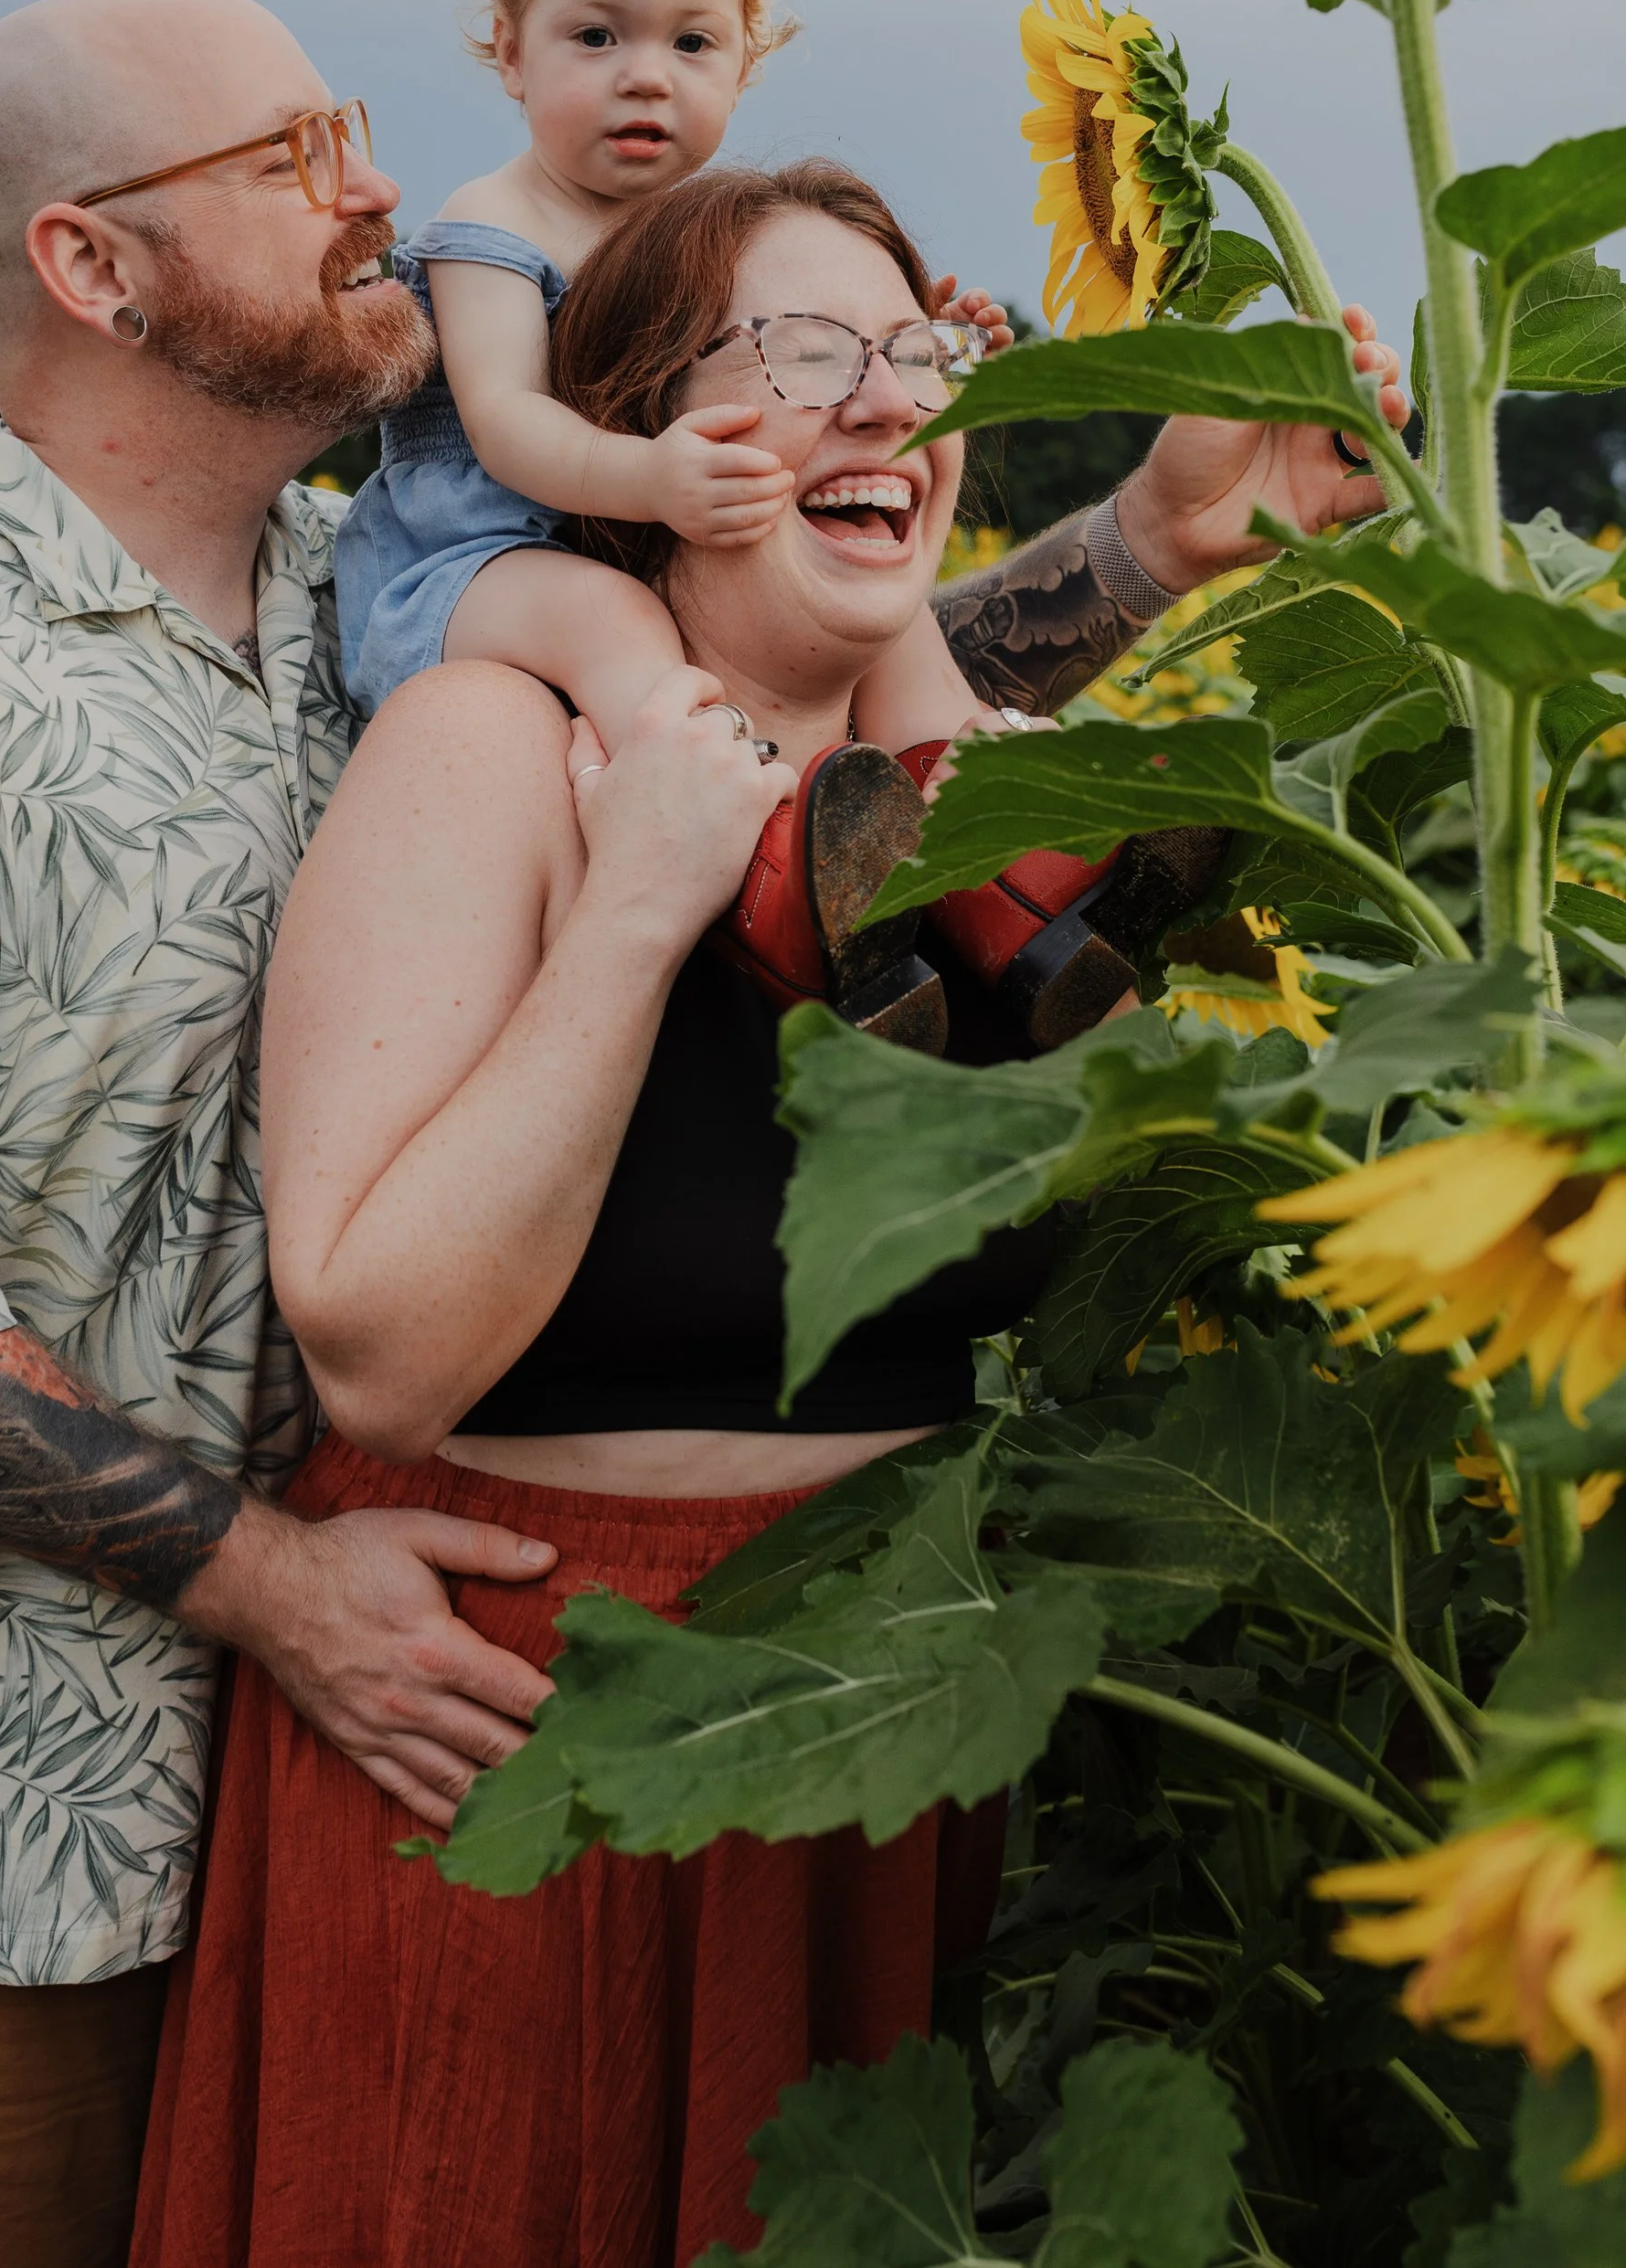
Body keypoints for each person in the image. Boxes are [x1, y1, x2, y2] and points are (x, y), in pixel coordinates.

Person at [132, 158, 1410, 2268]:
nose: (878, 404)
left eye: (914, 357)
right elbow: (373, 1338)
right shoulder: (491, 743)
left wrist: (1196, 532)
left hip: (896, 1734)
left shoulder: (974, 801)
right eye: (800, 356)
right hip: (535, 1734)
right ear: (640, 431)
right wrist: (633, 914)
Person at [0, 0, 579, 2268]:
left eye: (347, 124)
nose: (375, 188)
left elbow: (749, 782)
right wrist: (282, 1592)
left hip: (344, 1780)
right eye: (290, 155)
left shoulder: (377, 606)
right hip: (3, 1838)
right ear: (93, 264)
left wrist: (1138, 554)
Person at [335, 0, 1034, 1033]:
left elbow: (803, 372)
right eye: (597, 36)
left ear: (747, 63)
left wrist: (931, 347)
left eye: (691, 41)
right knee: (610, 614)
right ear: (509, 51)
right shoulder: (495, 221)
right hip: (476, 562)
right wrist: (653, 476)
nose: (646, 74)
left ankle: (1001, 853)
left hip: (625, 533)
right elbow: (503, 427)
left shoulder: (705, 239)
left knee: (902, 633)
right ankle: (764, 862)